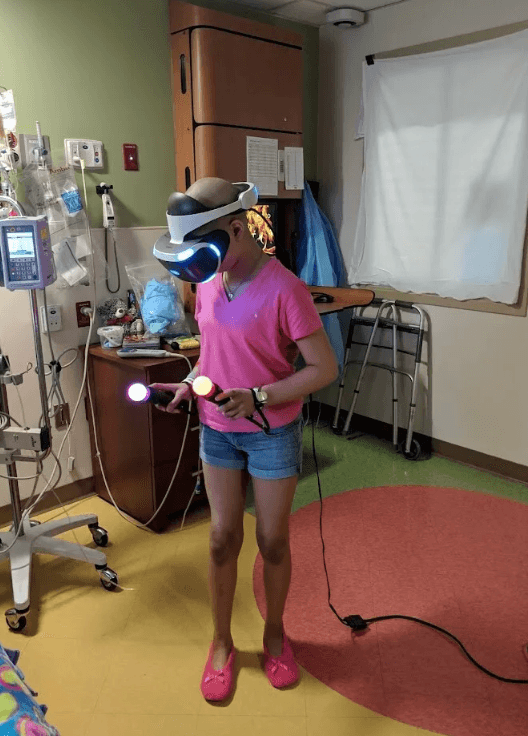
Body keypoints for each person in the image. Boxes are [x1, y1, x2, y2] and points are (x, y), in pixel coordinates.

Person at [151, 177, 338, 702]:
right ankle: (221, 644)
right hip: (218, 433)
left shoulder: (285, 289)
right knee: (219, 539)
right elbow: (213, 355)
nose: (194, 266)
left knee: (272, 542)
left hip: (271, 434)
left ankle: (275, 635)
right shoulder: (208, 282)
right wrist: (191, 383)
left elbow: (324, 368)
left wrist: (260, 396)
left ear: (237, 229)